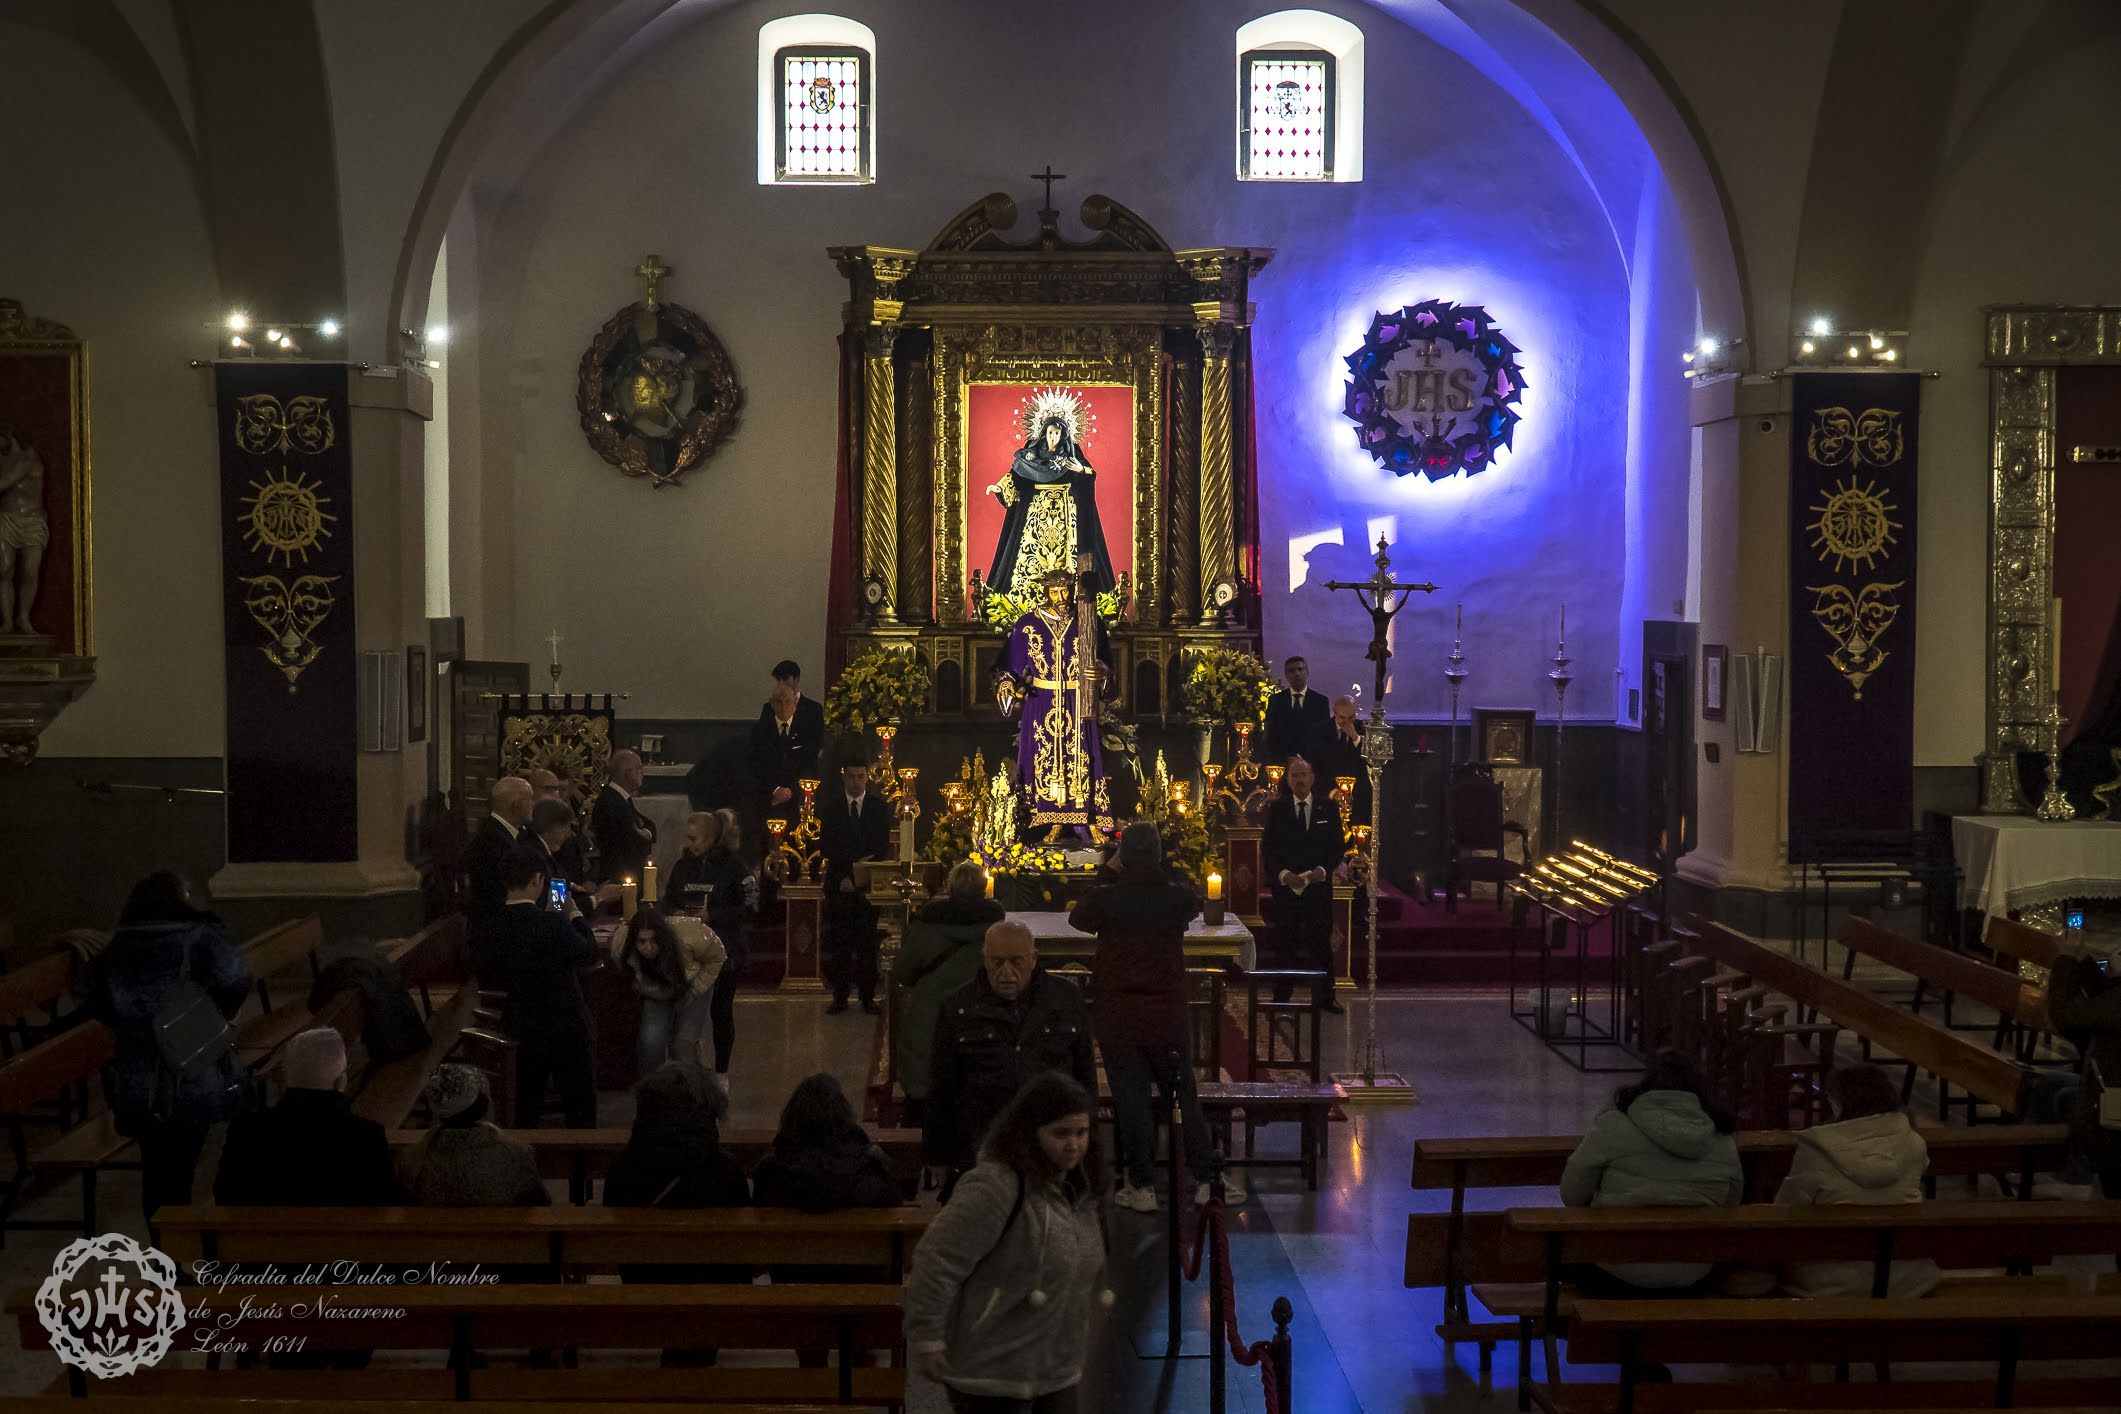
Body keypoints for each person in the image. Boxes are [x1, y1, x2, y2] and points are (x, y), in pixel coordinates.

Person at [905, 1071, 1111, 1414]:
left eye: (1081, 1132)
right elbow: (938, 1259)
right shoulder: (996, 1186)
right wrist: (928, 1337)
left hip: (1055, 1368)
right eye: (1059, 1133)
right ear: (1030, 1133)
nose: (1073, 1144)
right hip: (990, 1368)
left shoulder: (1081, 1188)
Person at [1067, 822, 1235, 1211]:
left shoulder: (1108, 898)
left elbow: (1079, 918)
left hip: (1120, 1012)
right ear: (1158, 854)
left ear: (1125, 856)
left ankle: (1141, 1185)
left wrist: (1109, 869)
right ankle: (1206, 1179)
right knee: (1184, 1095)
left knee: (1131, 1098)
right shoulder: (1175, 898)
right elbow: (1193, 903)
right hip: (1166, 1012)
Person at [79, 871, 253, 1225]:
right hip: (192, 1064)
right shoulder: (199, 938)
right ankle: (177, 1251)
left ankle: (161, 1256)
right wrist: (212, 1012)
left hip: (139, 1074)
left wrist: (131, 1026)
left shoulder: (116, 947)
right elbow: (235, 977)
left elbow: (91, 996)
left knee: (155, 1168)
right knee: (185, 1163)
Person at [927, 921, 1096, 1188]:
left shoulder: (1064, 999)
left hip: (1050, 1145)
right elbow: (942, 1085)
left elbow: (1084, 1074)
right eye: (997, 963)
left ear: (1033, 959)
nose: (1006, 972)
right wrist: (938, 1154)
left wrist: (1089, 1148)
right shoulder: (960, 1007)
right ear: (985, 960)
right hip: (983, 1141)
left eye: (1016, 962)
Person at [1559, 1052, 1742, 1292]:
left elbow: (1571, 1195)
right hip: (1693, 1274)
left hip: (1615, 1270)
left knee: (1565, 1257)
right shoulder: (1722, 1139)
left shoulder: (1613, 1124)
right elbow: (1731, 1203)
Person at [1773, 1063, 1939, 1298]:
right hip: (1904, 1276)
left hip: (1830, 1278)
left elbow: (1788, 1210)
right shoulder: (1913, 1142)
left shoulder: (1817, 1147)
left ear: (1839, 1102)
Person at [215, 1027, 398, 1206]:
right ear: (340, 1081)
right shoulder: (367, 1138)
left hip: (257, 1236)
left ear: (286, 1077)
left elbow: (224, 1195)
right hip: (343, 1237)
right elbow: (383, 1201)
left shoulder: (245, 1131)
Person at [996, 566, 1114, 839]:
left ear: (1073, 590)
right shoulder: (1027, 625)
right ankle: (1043, 820)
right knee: (1040, 758)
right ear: (1045, 592)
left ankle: (1087, 817)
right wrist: (1006, 683)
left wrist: (1101, 672)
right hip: (1041, 703)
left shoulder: (1088, 622)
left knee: (1083, 757)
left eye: (1065, 590)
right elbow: (1010, 667)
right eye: (1053, 591)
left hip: (1077, 701)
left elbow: (1106, 663)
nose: (1060, 597)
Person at [490, 847, 600, 1127]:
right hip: (565, 1024)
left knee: (527, 1104)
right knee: (579, 1104)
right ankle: (581, 1165)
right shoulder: (551, 923)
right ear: (538, 880)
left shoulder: (493, 925)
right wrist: (573, 916)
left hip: (521, 1024)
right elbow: (588, 953)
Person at [898, 862, 1007, 1125]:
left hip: (929, 1018)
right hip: (981, 1018)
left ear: (950, 887)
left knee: (926, 1086)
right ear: (985, 889)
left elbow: (902, 972)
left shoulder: (927, 926)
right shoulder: (997, 932)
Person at [985, 393, 1116, 602]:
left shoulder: (1071, 455)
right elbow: (1017, 475)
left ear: (1063, 434)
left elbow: (1089, 476)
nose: (1053, 437)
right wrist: (999, 487)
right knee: (1030, 553)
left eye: (1057, 433)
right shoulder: (1031, 455)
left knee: (1069, 555)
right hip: (1037, 511)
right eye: (1050, 432)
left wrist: (1082, 470)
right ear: (1044, 433)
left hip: (1066, 513)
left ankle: (1070, 599)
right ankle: (1028, 599)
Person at [397, 1064, 549, 1206]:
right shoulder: (516, 1154)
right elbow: (539, 1204)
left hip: (432, 1234)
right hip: (502, 1234)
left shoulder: (412, 1159)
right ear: (484, 1105)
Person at [1262, 755, 1346, 1012]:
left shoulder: (1327, 808)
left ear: (1312, 778)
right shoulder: (1277, 809)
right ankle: (1282, 995)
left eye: (1303, 775)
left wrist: (1323, 869)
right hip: (1287, 888)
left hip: (1317, 888)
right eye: (1294, 776)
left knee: (1320, 942)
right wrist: (1284, 875)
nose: (1299, 780)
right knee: (1284, 942)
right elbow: (1269, 850)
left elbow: (1336, 846)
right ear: (1288, 780)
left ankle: (1326, 997)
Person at [2046, 936, 2121, 1197]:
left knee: (2068, 1100)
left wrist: (2067, 959)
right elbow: (2095, 1015)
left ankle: (2077, 1179)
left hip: (2114, 1109)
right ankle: (2073, 1175)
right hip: (2108, 1088)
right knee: (2051, 1087)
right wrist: (2093, 968)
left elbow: (2066, 1018)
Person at [615, 903, 724, 1079]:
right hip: (655, 991)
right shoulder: (622, 945)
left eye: (654, 940)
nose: (648, 947)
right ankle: (654, 1089)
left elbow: (717, 956)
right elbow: (626, 968)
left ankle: (688, 1091)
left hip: (691, 985)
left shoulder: (688, 934)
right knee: (651, 1043)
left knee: (683, 1045)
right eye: (642, 941)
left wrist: (696, 989)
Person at [820, 759, 893, 1014]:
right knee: (839, 944)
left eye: (861, 777)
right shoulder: (831, 808)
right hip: (838, 884)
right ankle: (839, 997)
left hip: (866, 886)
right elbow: (827, 845)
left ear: (866, 779)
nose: (856, 781)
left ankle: (867, 997)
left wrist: (858, 875)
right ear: (844, 778)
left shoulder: (878, 808)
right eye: (851, 776)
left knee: (866, 944)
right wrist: (846, 872)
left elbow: (880, 845)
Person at [749, 660, 826, 824]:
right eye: (779, 680)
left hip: (801, 784)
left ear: (796, 679)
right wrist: (776, 789)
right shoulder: (768, 709)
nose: (782, 683)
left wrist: (791, 789)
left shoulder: (813, 709)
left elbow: (812, 750)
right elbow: (762, 750)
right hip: (774, 787)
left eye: (785, 678)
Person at [466, 775, 535, 923]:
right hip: (501, 931)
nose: (533, 805)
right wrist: (558, 908)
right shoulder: (493, 841)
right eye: (531, 800)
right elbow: (508, 896)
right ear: (517, 804)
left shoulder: (513, 835)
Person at [591, 749, 657, 885]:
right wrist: (643, 834)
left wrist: (646, 833)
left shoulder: (621, 799)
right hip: (619, 878)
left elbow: (649, 825)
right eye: (638, 768)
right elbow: (633, 839)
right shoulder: (611, 802)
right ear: (626, 773)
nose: (642, 772)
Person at [1304, 694, 1371, 825]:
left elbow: (1369, 763)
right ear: (1334, 713)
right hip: (1327, 798)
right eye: (1342, 718)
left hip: (1358, 800)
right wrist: (1333, 792)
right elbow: (1314, 768)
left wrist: (1356, 738)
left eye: (1351, 717)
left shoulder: (1364, 730)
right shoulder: (1319, 732)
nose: (1347, 722)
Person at [1262, 655, 1328, 765]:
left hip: (1312, 764)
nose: (1297, 673)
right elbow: (1270, 735)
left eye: (1300, 669)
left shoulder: (1320, 701)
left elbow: (1324, 736)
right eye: (1291, 671)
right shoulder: (1276, 700)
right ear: (1286, 675)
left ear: (1307, 672)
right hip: (1282, 763)